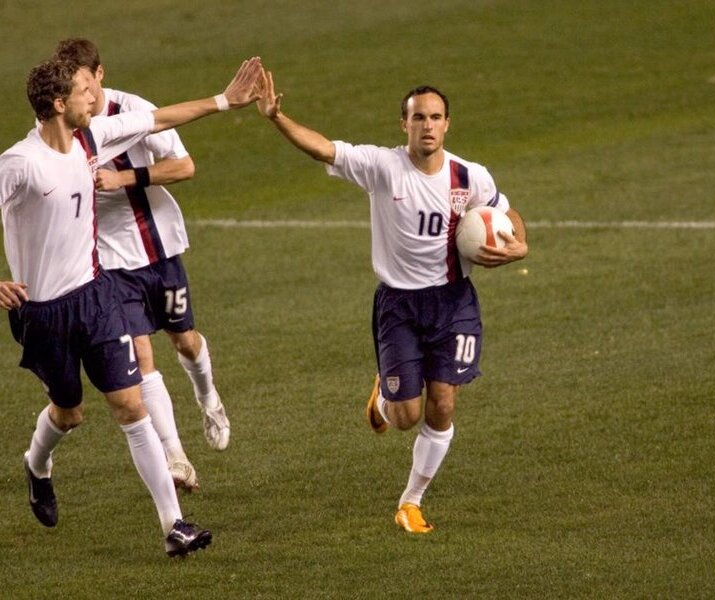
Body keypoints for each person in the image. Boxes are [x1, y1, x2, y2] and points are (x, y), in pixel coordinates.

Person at [0, 56, 262, 556]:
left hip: (96, 298)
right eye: (81, 92)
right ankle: (37, 464)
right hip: (44, 315)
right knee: (69, 413)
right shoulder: (20, 164)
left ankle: (174, 526)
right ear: (59, 104)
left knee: (130, 405)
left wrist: (226, 100)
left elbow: (158, 118)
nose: (93, 98)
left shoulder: (91, 138)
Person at [254, 72, 528, 533]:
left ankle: (410, 502)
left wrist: (520, 243)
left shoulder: (469, 175)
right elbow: (324, 149)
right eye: (418, 118)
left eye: (435, 117)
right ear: (404, 124)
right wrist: (277, 117)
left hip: (454, 302)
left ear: (447, 124)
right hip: (399, 306)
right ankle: (384, 398)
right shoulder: (383, 167)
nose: (427, 126)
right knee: (405, 417)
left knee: (443, 403)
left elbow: (505, 211)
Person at [53, 39, 231, 493]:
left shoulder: (132, 110)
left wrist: (124, 178)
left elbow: (184, 167)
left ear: (100, 74)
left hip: (158, 247)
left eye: (86, 84)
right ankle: (176, 456)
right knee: (139, 352)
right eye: (72, 87)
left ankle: (208, 396)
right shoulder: (62, 125)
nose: (82, 95)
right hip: (110, 259)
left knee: (184, 340)